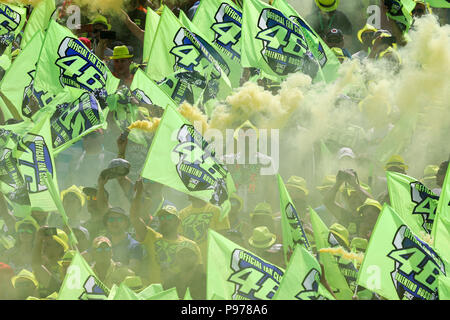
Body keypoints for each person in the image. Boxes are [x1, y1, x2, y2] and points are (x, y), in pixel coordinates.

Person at [130, 179, 201, 285]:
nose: (164, 220)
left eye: (168, 217)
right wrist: (138, 192)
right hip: (155, 293)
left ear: (178, 221)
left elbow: (198, 275)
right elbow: (135, 217)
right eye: (162, 217)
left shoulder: (190, 245)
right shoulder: (152, 237)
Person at [179, 195, 230, 265]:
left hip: (213, 263)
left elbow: (223, 239)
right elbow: (180, 241)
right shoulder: (182, 214)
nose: (188, 192)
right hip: (191, 265)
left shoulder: (217, 211)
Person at [324, 169, 373, 238]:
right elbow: (328, 202)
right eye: (350, 196)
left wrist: (355, 185)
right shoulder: (346, 216)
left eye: (356, 197)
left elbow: (372, 204)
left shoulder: (372, 218)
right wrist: (338, 183)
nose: (352, 200)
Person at [102, 207, 144, 274]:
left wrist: (117, 267)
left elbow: (134, 269)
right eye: (111, 219)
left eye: (119, 219)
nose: (114, 222)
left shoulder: (134, 246)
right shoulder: (102, 242)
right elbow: (85, 256)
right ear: (106, 223)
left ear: (126, 223)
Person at [32, 227, 69, 298]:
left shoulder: (65, 268)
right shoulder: (43, 265)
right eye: (43, 243)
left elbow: (36, 265)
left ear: (60, 248)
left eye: (48, 244)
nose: (43, 247)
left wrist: (38, 241)